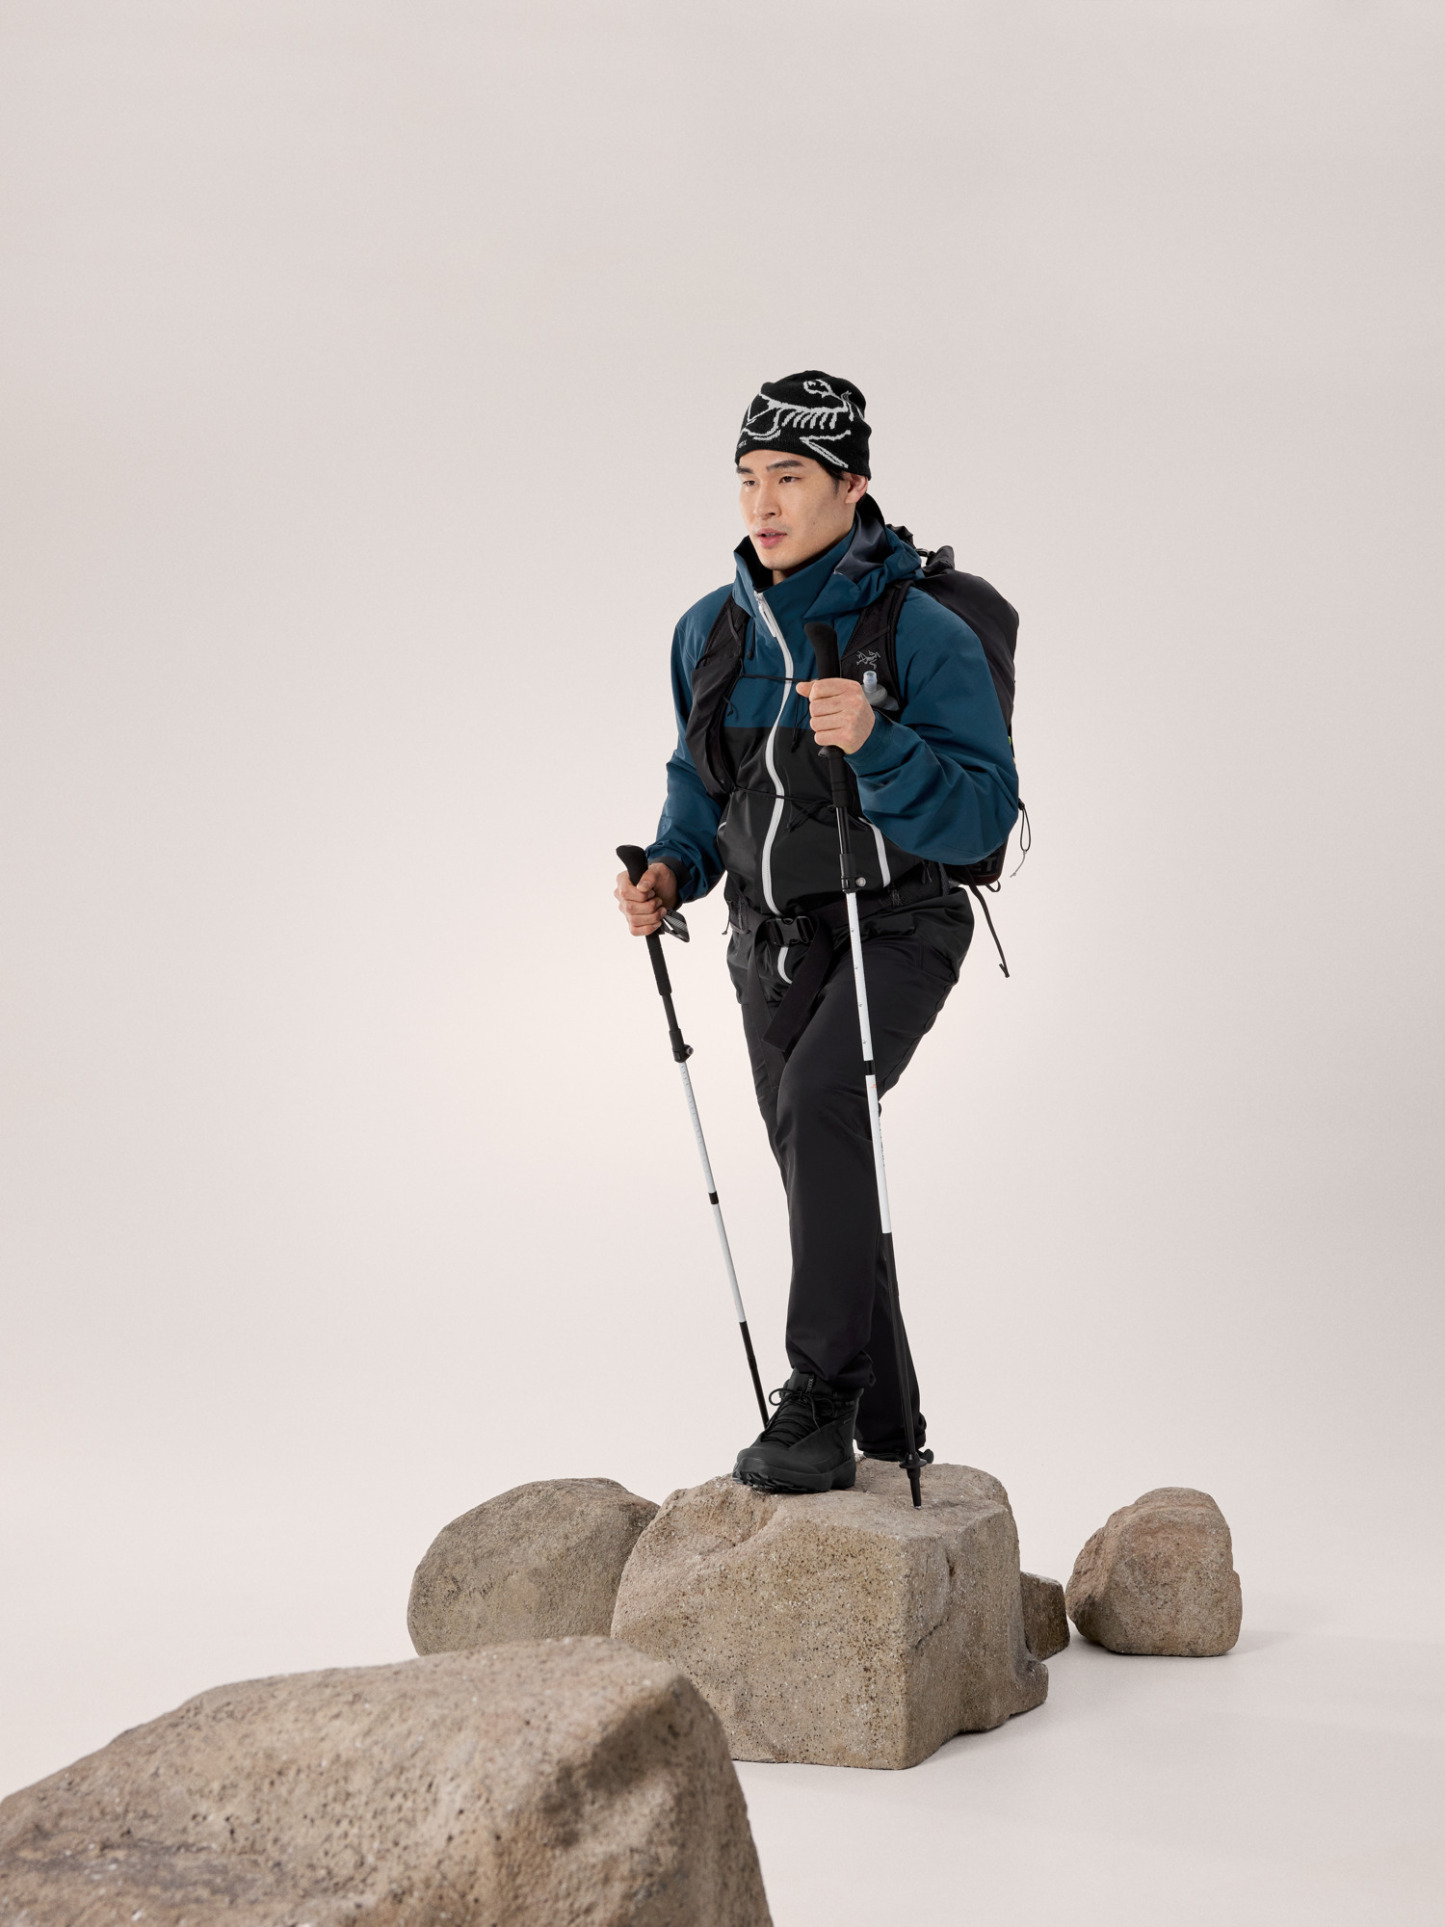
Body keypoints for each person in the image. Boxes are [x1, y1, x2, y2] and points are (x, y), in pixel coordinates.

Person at [615, 370, 1018, 1494]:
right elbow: (700, 789)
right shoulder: (709, 630)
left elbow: (982, 818)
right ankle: (888, 1423)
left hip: (897, 922)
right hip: (771, 942)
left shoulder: (921, 632)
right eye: (748, 478)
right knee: (818, 1160)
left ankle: (819, 1400)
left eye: (789, 476)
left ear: (853, 485)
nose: (763, 502)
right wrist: (670, 869)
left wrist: (877, 742)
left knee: (821, 1099)